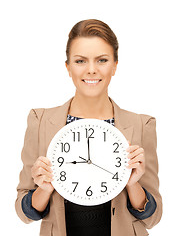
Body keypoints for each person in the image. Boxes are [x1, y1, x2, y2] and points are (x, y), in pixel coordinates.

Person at [15, 19, 162, 236]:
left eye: (102, 60)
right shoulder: (40, 121)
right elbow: (24, 212)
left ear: (115, 66)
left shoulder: (142, 125)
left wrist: (132, 184)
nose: (91, 70)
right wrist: (43, 190)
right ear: (68, 67)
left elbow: (152, 218)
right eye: (80, 61)